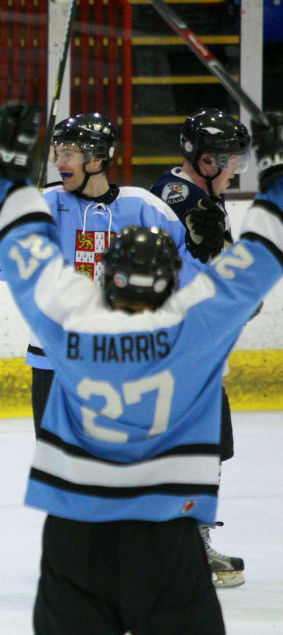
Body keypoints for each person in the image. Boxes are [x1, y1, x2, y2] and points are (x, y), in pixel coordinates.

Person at [0, 100, 283, 635]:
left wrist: (6, 182)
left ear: (104, 281)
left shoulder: (68, 326)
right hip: (165, 541)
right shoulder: (200, 329)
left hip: (75, 540)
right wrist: (278, 184)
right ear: (177, 279)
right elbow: (257, 262)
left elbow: (24, 254)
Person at [12, 112, 204, 431]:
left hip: (125, 357)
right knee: (60, 466)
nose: (59, 162)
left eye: (68, 153)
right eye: (56, 153)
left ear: (98, 158)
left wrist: (202, 253)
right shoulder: (44, 204)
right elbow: (2, 268)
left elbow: (187, 278)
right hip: (55, 357)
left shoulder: (145, 207)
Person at [150, 110, 254, 587]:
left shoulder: (198, 194)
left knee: (207, 448)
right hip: (180, 351)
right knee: (196, 449)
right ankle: (186, 548)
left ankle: (182, 543)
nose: (237, 169)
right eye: (231, 159)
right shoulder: (182, 198)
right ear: (205, 158)